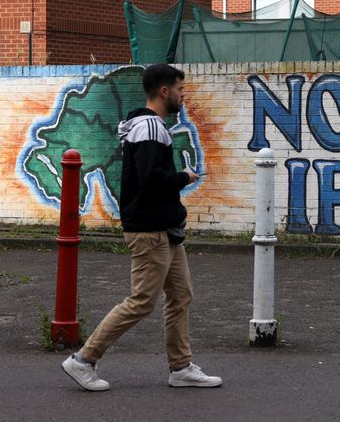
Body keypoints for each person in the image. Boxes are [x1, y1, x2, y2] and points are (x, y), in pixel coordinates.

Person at [62, 64, 221, 391]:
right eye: (179, 90)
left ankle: (180, 368)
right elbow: (151, 179)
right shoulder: (149, 128)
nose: (182, 95)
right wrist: (183, 178)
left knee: (180, 294)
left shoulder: (151, 126)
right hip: (150, 231)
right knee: (142, 301)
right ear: (164, 91)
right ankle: (83, 360)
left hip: (165, 227)